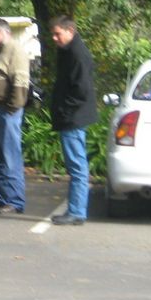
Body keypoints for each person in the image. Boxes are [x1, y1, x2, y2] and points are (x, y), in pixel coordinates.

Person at [48, 15, 98, 226]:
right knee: (76, 165)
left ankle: (77, 212)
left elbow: (82, 91)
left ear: (70, 31)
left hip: (73, 117)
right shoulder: (68, 51)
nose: (54, 38)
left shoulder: (77, 54)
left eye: (57, 34)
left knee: (77, 166)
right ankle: (75, 210)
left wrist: (64, 110)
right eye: (53, 34)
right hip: (71, 116)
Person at [0, 19, 30, 214]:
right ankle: (2, 197)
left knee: (10, 156)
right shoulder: (0, 52)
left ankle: (15, 200)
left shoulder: (15, 50)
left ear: (6, 33)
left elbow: (20, 80)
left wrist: (12, 107)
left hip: (7, 111)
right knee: (0, 157)